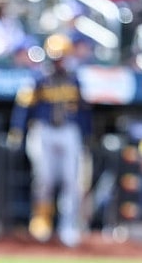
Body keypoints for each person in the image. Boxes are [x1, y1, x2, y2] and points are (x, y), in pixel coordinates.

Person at [7, 33, 92, 248]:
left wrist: (87, 135)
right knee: (44, 178)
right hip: (44, 130)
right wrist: (18, 130)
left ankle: (68, 227)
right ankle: (41, 221)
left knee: (71, 181)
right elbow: (24, 106)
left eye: (61, 57)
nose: (59, 62)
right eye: (56, 57)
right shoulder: (38, 79)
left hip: (68, 131)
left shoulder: (75, 79)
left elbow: (84, 110)